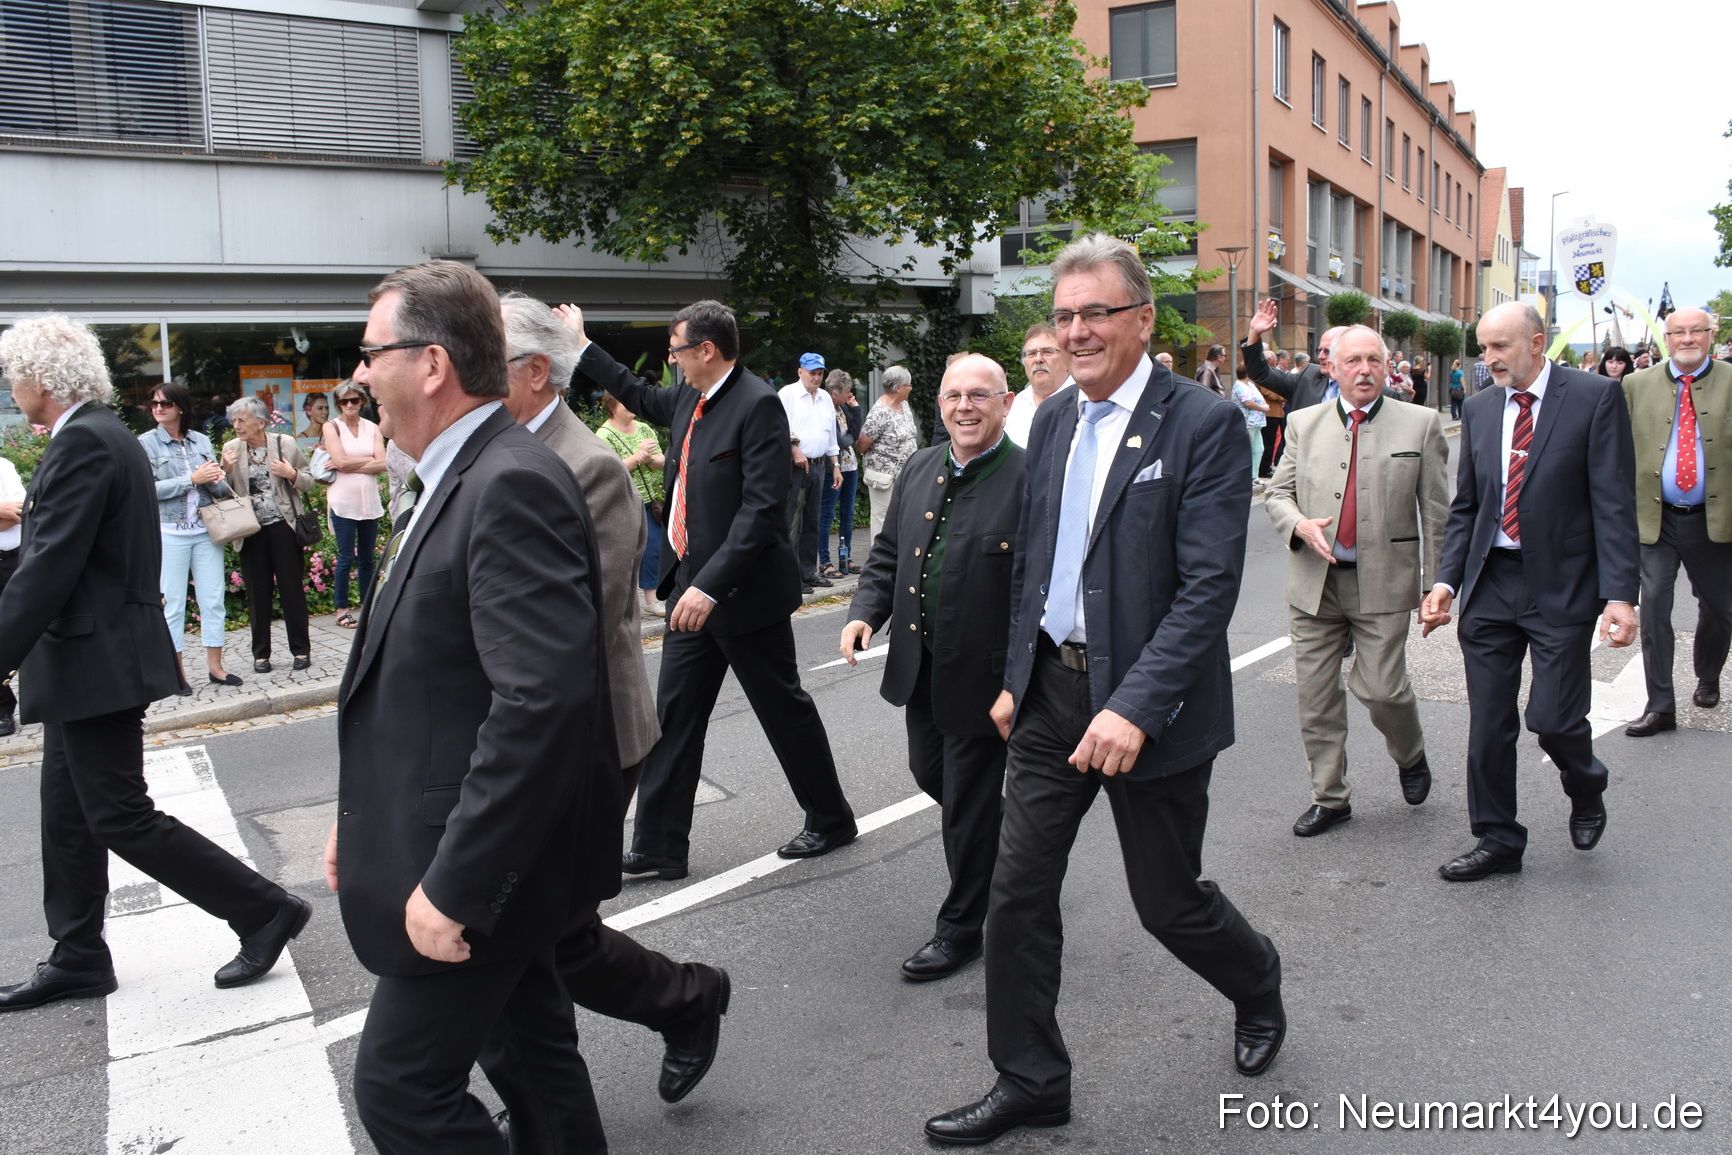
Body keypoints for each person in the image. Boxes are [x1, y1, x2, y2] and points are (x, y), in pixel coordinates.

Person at [925, 235, 1283, 1146]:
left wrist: (1133, 705)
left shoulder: (1201, 424)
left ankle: (1255, 979)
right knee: (1016, 890)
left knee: (1166, 903)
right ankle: (1031, 1078)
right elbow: (1034, 564)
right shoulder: (1048, 420)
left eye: (1097, 313)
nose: (1078, 331)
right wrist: (1018, 676)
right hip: (1052, 697)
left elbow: (1208, 590)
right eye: (1066, 315)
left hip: (1149, 711)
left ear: (1142, 318)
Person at [331, 261, 617, 1153]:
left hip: (470, 866)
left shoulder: (507, 481)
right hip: (475, 852)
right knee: (530, 1054)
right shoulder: (452, 474)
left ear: (430, 365)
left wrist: (455, 886)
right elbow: (428, 682)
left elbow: (540, 703)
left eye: (373, 352)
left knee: (401, 1090)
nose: (360, 374)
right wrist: (361, 816)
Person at [0, 314, 308, 1013]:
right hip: (92, 655)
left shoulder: (85, 442)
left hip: (95, 657)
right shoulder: (101, 435)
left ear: (43, 379)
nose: (12, 386)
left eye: (14, 373)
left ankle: (263, 908)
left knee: (118, 814)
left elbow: (48, 566)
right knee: (66, 813)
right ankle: (77, 952)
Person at [501, 292, 730, 1108]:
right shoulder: (491, 452)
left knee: (538, 932)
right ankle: (553, 1079)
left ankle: (680, 1002)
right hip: (526, 740)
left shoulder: (585, 466)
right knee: (534, 934)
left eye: (479, 356)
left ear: (535, 373)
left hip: (583, 742)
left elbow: (568, 641)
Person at [567, 301, 857, 878]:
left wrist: (712, 586)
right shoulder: (685, 400)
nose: (669, 361)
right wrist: (581, 345)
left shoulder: (757, 406)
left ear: (706, 350)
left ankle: (830, 818)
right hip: (688, 592)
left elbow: (762, 510)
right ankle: (659, 846)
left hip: (742, 596)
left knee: (782, 708)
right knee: (672, 718)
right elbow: (631, 388)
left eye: (676, 350)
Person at [1420, 303, 1639, 881]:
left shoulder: (1593, 398)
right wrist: (1446, 581)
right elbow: (1469, 505)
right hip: (1492, 584)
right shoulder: (1481, 404)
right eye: (1483, 348)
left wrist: (1621, 595)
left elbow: (1613, 502)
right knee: (1489, 722)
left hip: (1561, 586)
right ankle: (1497, 840)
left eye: (1500, 347)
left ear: (1537, 343)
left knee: (1554, 720)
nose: (1487, 359)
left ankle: (1586, 783)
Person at [841, 354, 1024, 983]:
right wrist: (865, 611)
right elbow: (888, 552)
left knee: (967, 805)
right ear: (937, 403)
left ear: (1005, 402)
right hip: (922, 665)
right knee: (931, 773)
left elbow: (1040, 591)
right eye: (953, 396)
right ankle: (1011, 856)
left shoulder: (1031, 477)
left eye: (980, 395)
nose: (965, 407)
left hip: (987, 675)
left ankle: (963, 928)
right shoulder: (921, 465)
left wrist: (1020, 681)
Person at [1264, 326, 1448, 836]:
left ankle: (1409, 754)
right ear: (1333, 368)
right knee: (1316, 696)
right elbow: (1278, 494)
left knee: (1383, 690)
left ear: (1388, 366)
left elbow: (1436, 513)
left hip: (1385, 582)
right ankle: (1331, 797)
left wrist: (1438, 584)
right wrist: (1297, 524)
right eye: (1353, 361)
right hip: (1314, 584)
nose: (1364, 369)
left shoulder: (1421, 424)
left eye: (1374, 359)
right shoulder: (1304, 422)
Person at [1620, 308, 1731, 735]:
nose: (1687, 338)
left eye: (1695, 331)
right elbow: (1616, 450)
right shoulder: (1635, 384)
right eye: (1678, 332)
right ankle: (1660, 704)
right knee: (1654, 611)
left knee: (1721, 610)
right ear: (1666, 338)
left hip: (1714, 519)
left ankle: (1708, 674)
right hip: (1654, 518)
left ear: (1710, 335)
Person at [140, 381, 241, 691]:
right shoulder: (145, 443)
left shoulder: (200, 442)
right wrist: (190, 479)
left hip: (205, 530)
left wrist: (220, 473)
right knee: (172, 605)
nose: (158, 408)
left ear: (180, 407)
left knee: (213, 601)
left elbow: (217, 489)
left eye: (165, 404)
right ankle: (177, 674)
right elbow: (147, 489)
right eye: (155, 403)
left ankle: (216, 668)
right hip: (169, 533)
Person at [220, 396, 314, 673]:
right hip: (250, 530)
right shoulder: (231, 449)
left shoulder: (284, 444)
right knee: (257, 594)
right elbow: (219, 492)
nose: (236, 425)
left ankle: (301, 650)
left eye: (242, 420)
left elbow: (309, 481)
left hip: (284, 526)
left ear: (261, 423)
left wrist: (292, 473)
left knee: (292, 591)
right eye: (234, 420)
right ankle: (261, 655)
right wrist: (224, 468)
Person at [597, 391, 668, 617]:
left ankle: (653, 598)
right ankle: (633, 600)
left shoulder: (644, 429)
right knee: (628, 551)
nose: (630, 406)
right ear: (612, 406)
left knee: (655, 548)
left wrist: (649, 459)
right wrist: (638, 456)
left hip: (651, 501)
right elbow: (610, 469)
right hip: (623, 500)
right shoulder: (604, 434)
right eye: (623, 402)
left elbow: (661, 461)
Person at [321, 381, 385, 629]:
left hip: (369, 499)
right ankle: (342, 609)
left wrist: (350, 462)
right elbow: (339, 461)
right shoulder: (332, 427)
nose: (349, 405)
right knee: (346, 557)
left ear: (362, 401)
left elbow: (383, 462)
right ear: (337, 404)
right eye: (343, 401)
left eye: (354, 400)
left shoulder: (372, 428)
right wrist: (366, 460)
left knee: (368, 558)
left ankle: (367, 608)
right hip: (343, 501)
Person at [780, 353, 840, 590]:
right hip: (794, 466)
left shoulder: (825, 397)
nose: (816, 377)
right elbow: (775, 427)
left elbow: (831, 435)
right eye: (812, 372)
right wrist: (793, 448)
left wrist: (835, 465)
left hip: (819, 465)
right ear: (800, 372)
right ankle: (790, 575)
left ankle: (808, 571)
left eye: (820, 373)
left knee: (812, 521)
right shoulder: (787, 394)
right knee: (792, 521)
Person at [1243, 298, 1341, 412]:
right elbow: (1260, 372)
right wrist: (1254, 333)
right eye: (1319, 351)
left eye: (1328, 351)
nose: (1321, 356)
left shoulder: (1363, 384)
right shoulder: (1308, 377)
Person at [858, 365, 920, 542]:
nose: (911, 388)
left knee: (904, 517)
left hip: (906, 475)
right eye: (909, 385)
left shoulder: (905, 406)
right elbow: (862, 443)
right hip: (884, 477)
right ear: (898, 388)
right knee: (882, 520)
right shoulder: (879, 413)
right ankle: (879, 563)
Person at [817, 368, 863, 577]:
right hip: (832, 468)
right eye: (847, 392)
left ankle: (847, 557)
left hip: (850, 465)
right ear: (835, 393)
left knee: (848, 513)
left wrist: (856, 410)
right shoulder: (825, 409)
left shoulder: (843, 408)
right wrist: (850, 438)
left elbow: (854, 434)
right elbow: (838, 441)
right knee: (827, 515)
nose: (849, 396)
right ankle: (825, 561)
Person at [1005, 322, 1072, 447]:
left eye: (1047, 352)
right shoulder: (1016, 405)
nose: (1038, 359)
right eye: (1031, 354)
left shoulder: (1083, 403)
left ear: (1067, 358)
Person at [0, 453, 21, 734]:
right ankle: (2, 709)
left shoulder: (3, 466)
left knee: (37, 632)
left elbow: (17, 514)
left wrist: (7, 512)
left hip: (11, 562)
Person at [1231, 363, 1269, 481]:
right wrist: (1263, 408)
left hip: (1256, 423)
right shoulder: (1239, 385)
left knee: (1258, 449)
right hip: (1247, 422)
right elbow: (1247, 402)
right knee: (1246, 450)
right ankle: (1243, 477)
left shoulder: (1250, 385)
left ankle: (1253, 476)